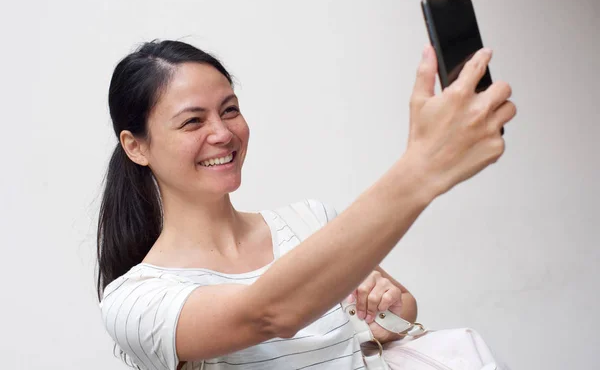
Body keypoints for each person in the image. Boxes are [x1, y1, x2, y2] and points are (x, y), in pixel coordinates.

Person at [97, 40, 515, 370]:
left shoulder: (308, 220)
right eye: (193, 121)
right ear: (136, 147)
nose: (223, 133)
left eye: (230, 111)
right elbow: (267, 313)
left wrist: (384, 306)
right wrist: (422, 169)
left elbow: (401, 311)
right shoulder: (135, 302)